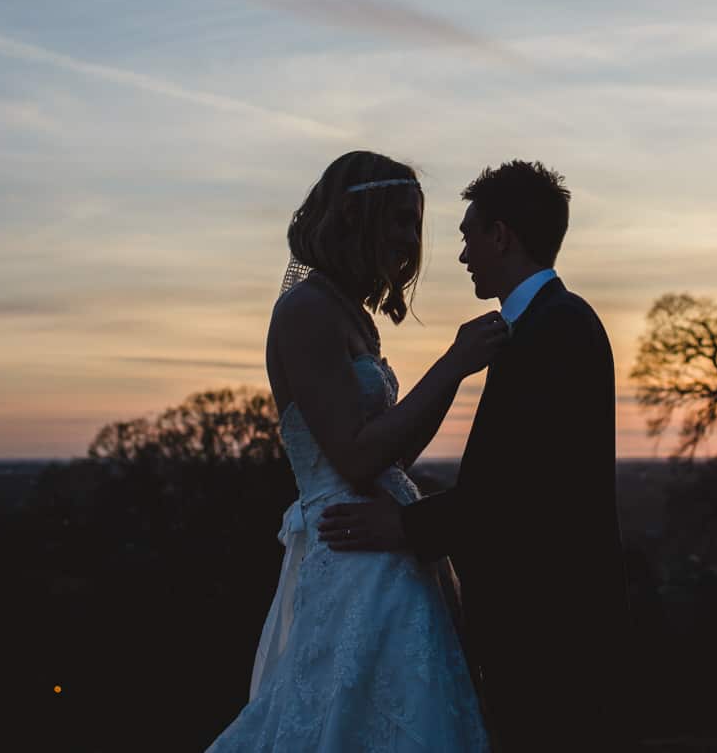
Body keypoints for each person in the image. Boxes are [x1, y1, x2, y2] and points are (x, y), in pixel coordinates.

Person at [319, 160, 631, 752]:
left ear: (501, 235)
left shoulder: (556, 329)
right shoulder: (536, 326)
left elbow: (527, 493)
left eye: (468, 235)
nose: (461, 255)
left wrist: (404, 525)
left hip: (556, 631)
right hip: (545, 628)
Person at [207, 150, 501, 752]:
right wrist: (454, 365)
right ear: (352, 219)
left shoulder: (352, 316)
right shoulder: (305, 311)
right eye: (397, 220)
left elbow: (390, 454)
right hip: (352, 553)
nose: (410, 240)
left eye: (415, 224)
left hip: (387, 543)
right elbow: (358, 458)